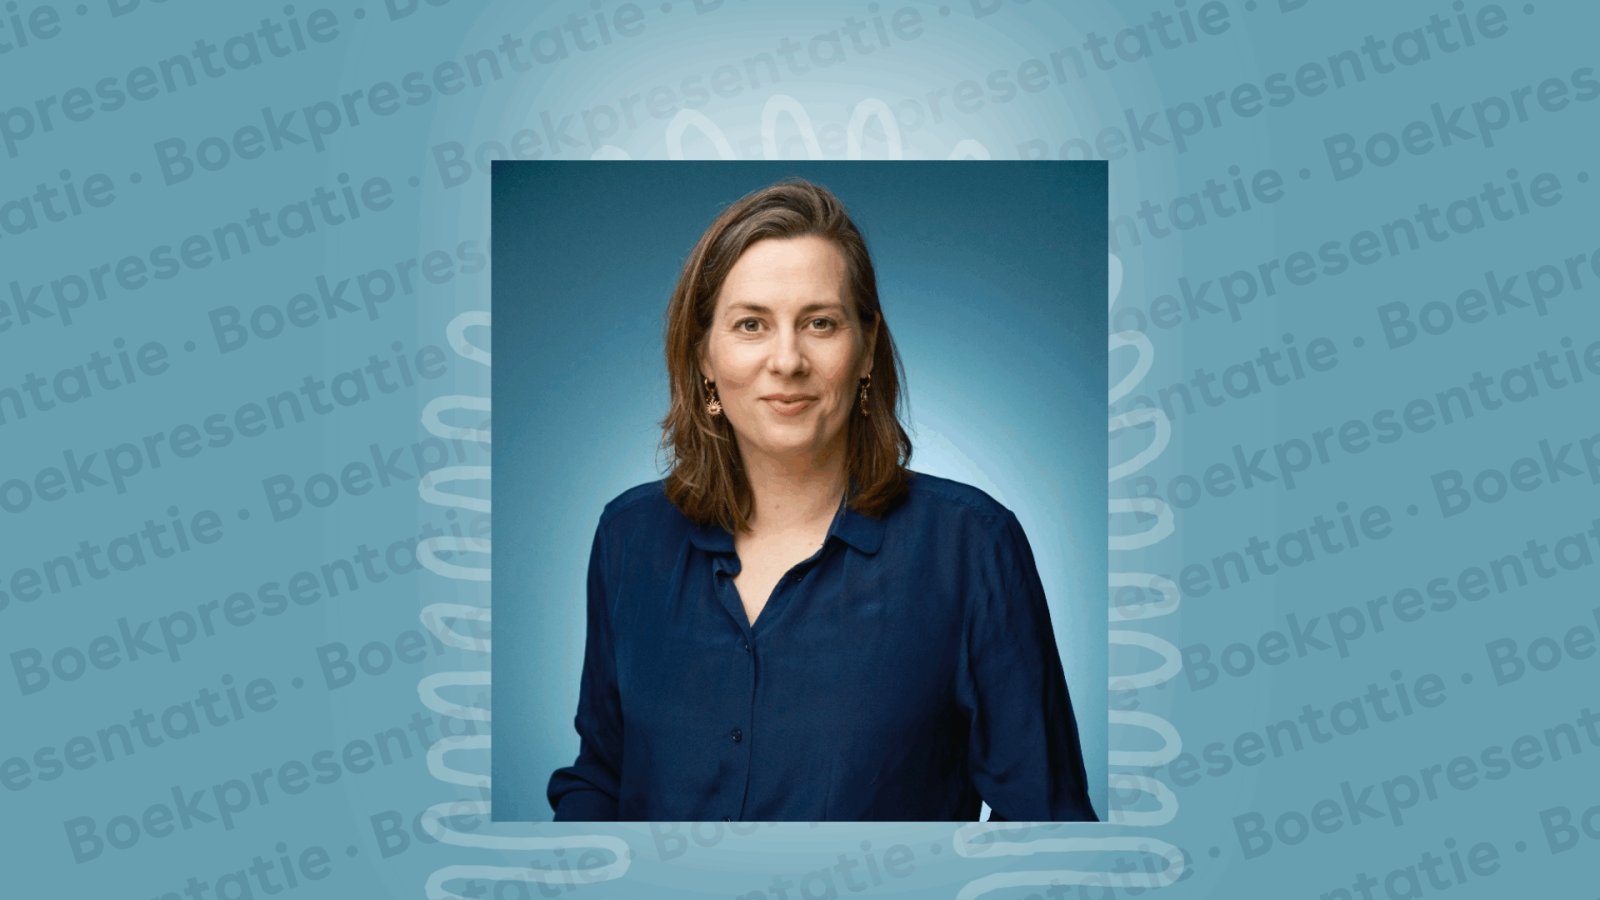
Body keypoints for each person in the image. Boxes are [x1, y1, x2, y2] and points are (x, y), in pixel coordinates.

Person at [547, 178, 1098, 822]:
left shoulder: (971, 546)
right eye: (751, 324)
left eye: (820, 323)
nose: (788, 360)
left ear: (866, 348)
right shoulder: (628, 536)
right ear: (704, 356)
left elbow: (1047, 826)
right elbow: (602, 776)